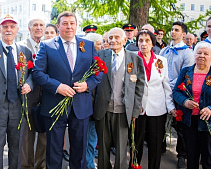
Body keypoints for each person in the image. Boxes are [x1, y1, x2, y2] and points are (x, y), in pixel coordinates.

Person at [32, 11, 102, 169]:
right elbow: (37, 73)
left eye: (72, 23)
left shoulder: (88, 46)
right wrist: (57, 87)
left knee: (79, 151)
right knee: (54, 151)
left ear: (76, 26)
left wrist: (87, 85)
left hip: (81, 106)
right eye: (65, 23)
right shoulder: (47, 45)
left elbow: (98, 72)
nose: (69, 27)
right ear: (58, 26)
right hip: (54, 106)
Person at [0, 14, 33, 169]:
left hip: (18, 104)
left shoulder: (25, 51)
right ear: (0, 30)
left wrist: (29, 84)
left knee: (16, 144)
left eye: (12, 27)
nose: (8, 30)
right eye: (5, 27)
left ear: (17, 29)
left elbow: (32, 74)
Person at [93, 27, 145, 169]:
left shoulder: (135, 59)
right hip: (103, 110)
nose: (113, 40)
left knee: (122, 148)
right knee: (103, 147)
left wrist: (135, 111)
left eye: (116, 37)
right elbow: (93, 83)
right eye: (110, 38)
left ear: (124, 40)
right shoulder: (100, 55)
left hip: (124, 111)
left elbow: (140, 87)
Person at [130, 30, 176, 169]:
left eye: (147, 41)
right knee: (135, 143)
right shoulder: (131, 58)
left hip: (158, 107)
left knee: (155, 144)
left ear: (152, 43)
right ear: (137, 43)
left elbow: (166, 85)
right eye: (140, 41)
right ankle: (134, 166)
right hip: (138, 108)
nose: (144, 44)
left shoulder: (161, 61)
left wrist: (170, 106)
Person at [173, 42, 211, 169]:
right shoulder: (186, 71)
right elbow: (176, 91)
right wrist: (185, 102)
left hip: (210, 123)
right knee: (191, 157)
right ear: (194, 55)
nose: (202, 56)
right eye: (199, 53)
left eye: (206, 53)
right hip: (189, 122)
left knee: (210, 159)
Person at [160, 21, 194, 168]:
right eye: (172, 29)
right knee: (160, 119)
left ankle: (181, 155)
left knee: (179, 125)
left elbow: (185, 74)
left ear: (183, 34)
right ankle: (161, 146)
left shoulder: (188, 53)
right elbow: (158, 68)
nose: (173, 32)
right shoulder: (164, 51)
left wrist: (169, 86)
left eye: (176, 30)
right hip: (161, 90)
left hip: (178, 91)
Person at [18, 18, 47, 169]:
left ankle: (40, 165)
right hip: (27, 97)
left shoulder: (49, 45)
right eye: (35, 25)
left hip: (46, 96)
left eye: (41, 25)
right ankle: (26, 165)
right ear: (29, 28)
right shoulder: (21, 47)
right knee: (27, 136)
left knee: (43, 135)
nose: (38, 28)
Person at [84, 32, 103, 169]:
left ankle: (89, 163)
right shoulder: (86, 60)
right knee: (87, 138)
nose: (101, 45)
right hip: (87, 106)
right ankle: (88, 164)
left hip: (99, 105)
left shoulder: (101, 58)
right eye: (99, 43)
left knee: (92, 138)